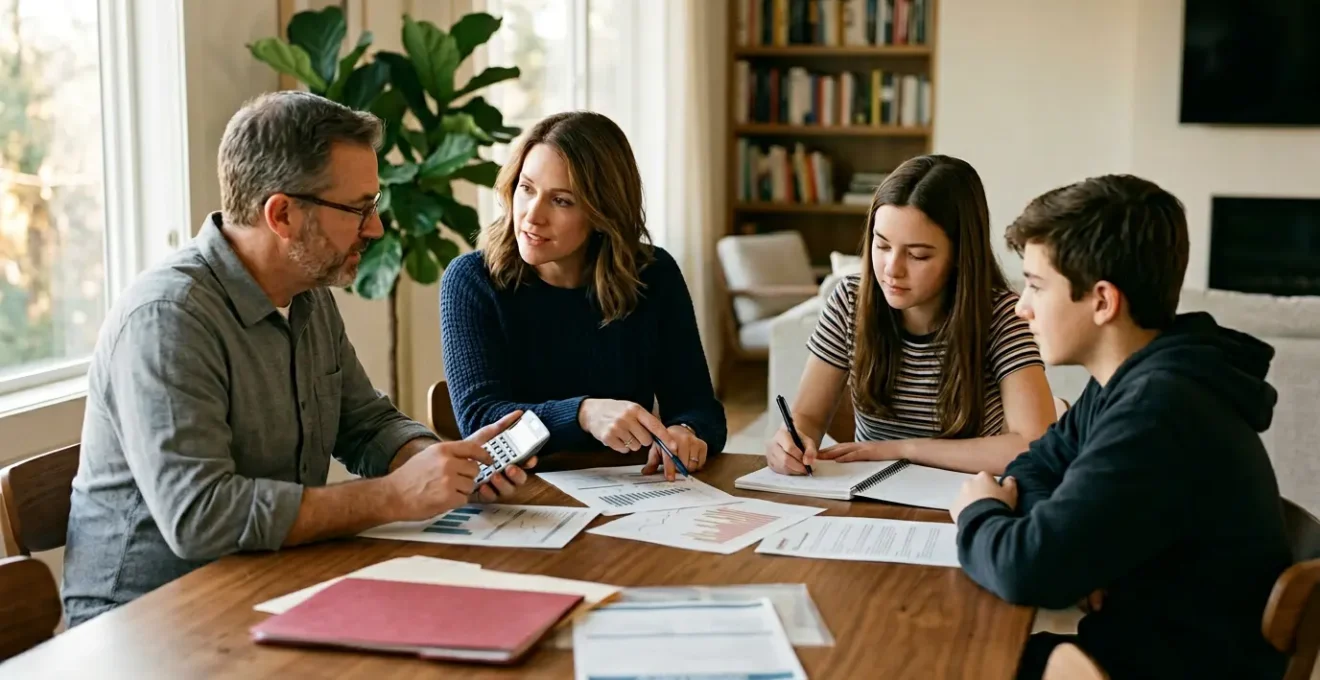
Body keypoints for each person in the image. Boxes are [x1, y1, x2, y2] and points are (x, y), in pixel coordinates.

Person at [61, 92, 535, 627]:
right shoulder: (168, 318)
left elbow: (365, 423)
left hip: (269, 582)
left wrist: (440, 464)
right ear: (282, 214)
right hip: (144, 622)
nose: (375, 227)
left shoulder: (305, 292)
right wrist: (392, 496)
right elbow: (201, 517)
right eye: (357, 208)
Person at [951, 175, 1290, 679]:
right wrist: (1072, 545)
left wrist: (978, 511)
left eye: (1037, 286)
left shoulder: (1159, 409)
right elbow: (1035, 465)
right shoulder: (1129, 379)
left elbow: (1028, 571)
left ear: (1103, 301)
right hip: (1135, 648)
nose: (1022, 307)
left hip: (1166, 669)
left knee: (935, 657)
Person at [440, 111, 726, 480]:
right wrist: (583, 414)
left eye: (561, 200)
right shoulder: (472, 280)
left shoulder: (653, 275)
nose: (532, 216)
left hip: (630, 489)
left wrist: (686, 432)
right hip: (523, 491)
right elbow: (480, 421)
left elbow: (699, 406)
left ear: (602, 211)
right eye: (526, 188)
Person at [765, 154, 1055, 476]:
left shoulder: (1002, 316)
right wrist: (790, 442)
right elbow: (808, 418)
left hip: (964, 492)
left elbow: (1034, 445)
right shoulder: (850, 299)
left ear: (960, 256)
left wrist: (903, 449)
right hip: (868, 489)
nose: (892, 269)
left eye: (917, 255)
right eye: (882, 246)